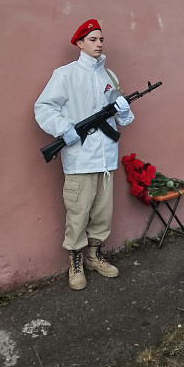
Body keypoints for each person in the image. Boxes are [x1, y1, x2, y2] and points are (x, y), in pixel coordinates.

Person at [34, 19, 134, 290]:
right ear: (79, 43)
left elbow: (122, 119)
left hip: (106, 159)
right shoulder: (65, 75)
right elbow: (43, 108)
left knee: (102, 214)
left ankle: (94, 256)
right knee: (78, 214)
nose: (99, 43)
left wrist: (123, 109)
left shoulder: (109, 76)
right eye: (92, 39)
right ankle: (75, 262)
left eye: (101, 39)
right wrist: (64, 129)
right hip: (79, 159)